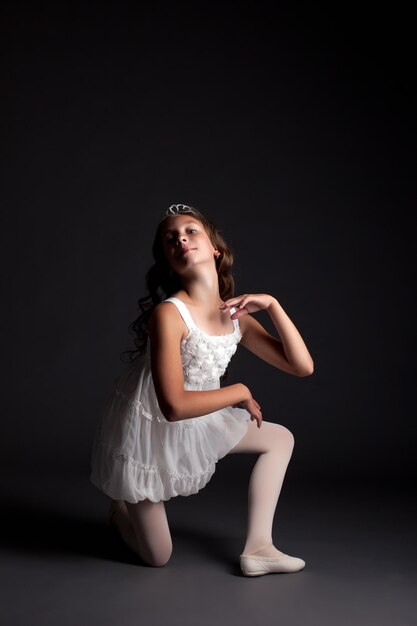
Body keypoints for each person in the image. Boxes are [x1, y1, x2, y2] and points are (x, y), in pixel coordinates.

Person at [89, 203, 314, 577]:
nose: (181, 238)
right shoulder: (169, 313)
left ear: (215, 249)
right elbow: (173, 407)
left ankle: (260, 547)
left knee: (280, 439)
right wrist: (240, 390)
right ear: (168, 261)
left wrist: (272, 305)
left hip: (203, 419)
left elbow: (302, 367)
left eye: (191, 231)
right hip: (149, 432)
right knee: (157, 556)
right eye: (170, 239)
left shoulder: (235, 316)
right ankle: (121, 510)